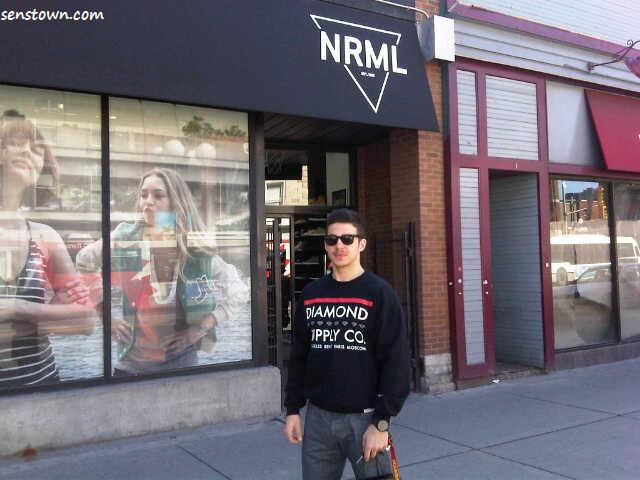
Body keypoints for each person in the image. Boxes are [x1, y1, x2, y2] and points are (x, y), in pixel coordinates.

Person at [76, 167, 248, 374]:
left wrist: (199, 329)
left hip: (182, 368)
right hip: (130, 368)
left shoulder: (194, 250)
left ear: (175, 202)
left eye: (158, 196)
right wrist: (106, 317)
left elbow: (239, 291)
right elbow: (84, 261)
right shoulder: (125, 238)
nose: (148, 202)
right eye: (143, 195)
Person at [284, 208, 410, 479]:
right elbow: (299, 356)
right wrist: (292, 409)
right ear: (325, 245)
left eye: (347, 239)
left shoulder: (380, 294)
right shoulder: (311, 295)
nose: (339, 245)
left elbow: (396, 362)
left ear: (361, 244)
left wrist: (381, 422)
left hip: (365, 419)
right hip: (318, 420)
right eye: (332, 239)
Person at [0, 110, 94, 388]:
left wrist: (17, 308)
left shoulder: (44, 236)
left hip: (45, 389)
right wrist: (49, 315)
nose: (28, 151)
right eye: (17, 142)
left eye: (37, 148)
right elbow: (69, 320)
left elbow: (85, 321)